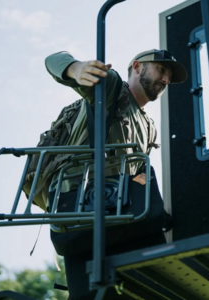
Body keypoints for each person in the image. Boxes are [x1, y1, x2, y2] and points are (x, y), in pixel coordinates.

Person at [45, 49, 187, 300]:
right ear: (137, 67)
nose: (165, 79)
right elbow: (53, 60)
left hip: (124, 215)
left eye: (169, 76)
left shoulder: (149, 127)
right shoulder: (111, 88)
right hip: (82, 210)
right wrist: (75, 69)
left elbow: (138, 176)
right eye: (161, 69)